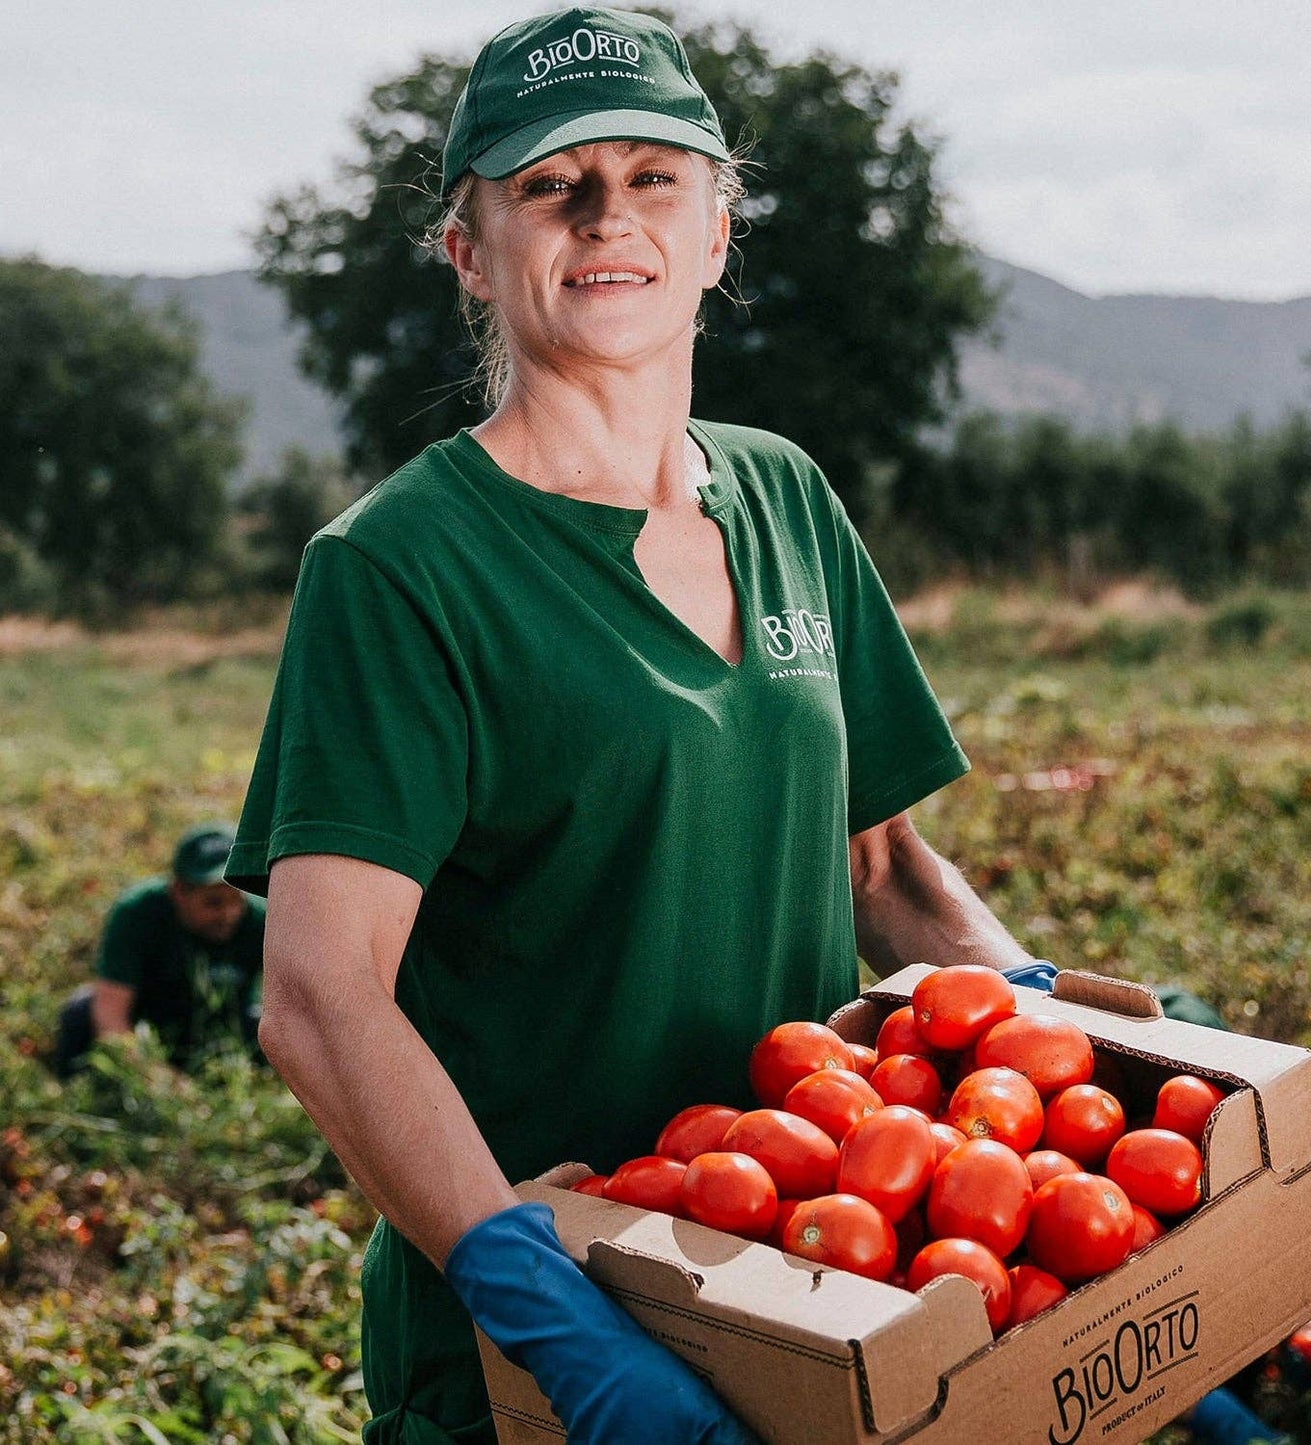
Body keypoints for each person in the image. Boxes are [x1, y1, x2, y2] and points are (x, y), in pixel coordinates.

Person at [226, 8, 1044, 1442]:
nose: (609, 214)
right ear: (469, 249)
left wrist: (1053, 1034)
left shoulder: (785, 497)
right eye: (552, 184)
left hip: (814, 1284)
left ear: (718, 231)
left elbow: (881, 873)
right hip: (550, 1345)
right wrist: (535, 1302)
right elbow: (317, 995)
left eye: (654, 176)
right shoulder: (400, 570)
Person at [54, 822, 264, 1078]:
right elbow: (110, 1013)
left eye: (236, 899)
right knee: (80, 1011)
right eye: (213, 903)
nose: (228, 914)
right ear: (179, 892)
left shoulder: (261, 918)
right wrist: (158, 1077)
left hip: (221, 1036)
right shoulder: (138, 913)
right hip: (151, 1028)